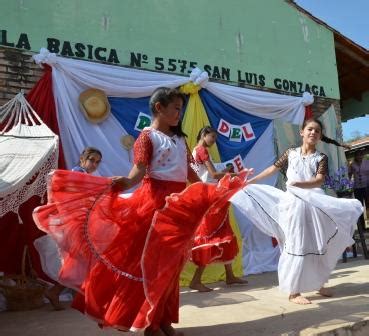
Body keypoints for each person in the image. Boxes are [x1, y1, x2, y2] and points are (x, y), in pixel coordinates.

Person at [33, 87, 247, 336]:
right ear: (159, 108)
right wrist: (121, 183)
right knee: (152, 267)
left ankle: (164, 321)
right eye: (176, 108)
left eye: (181, 108)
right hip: (153, 205)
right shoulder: (147, 137)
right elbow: (137, 174)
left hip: (177, 206)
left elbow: (188, 174)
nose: (179, 113)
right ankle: (151, 324)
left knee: (171, 267)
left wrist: (209, 193)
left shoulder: (180, 139)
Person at [232, 118, 363, 305]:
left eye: (317, 131)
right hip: (294, 205)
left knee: (317, 243)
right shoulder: (290, 153)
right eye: (310, 129)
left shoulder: (320, 158)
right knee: (296, 244)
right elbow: (272, 169)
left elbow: (318, 181)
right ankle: (294, 290)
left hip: (314, 204)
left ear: (320, 136)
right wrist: (251, 181)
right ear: (302, 132)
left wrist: (299, 184)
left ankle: (319, 282)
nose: (313, 133)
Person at [38, 147, 102, 310]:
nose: (94, 164)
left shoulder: (84, 175)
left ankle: (59, 293)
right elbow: (72, 200)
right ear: (82, 160)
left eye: (97, 162)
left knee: (80, 263)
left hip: (80, 224)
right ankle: (81, 298)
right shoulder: (75, 174)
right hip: (75, 226)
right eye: (92, 160)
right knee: (83, 262)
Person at [189, 126, 247, 292]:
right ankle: (196, 280)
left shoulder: (196, 151)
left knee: (224, 234)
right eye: (212, 137)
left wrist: (226, 172)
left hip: (210, 197)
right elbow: (214, 176)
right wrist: (235, 175)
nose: (214, 141)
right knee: (211, 237)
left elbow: (209, 175)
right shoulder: (202, 151)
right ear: (204, 134)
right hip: (210, 198)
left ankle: (229, 275)